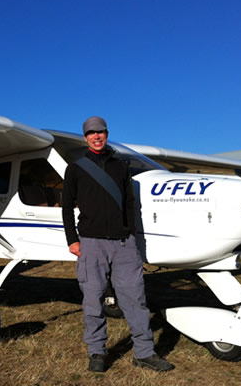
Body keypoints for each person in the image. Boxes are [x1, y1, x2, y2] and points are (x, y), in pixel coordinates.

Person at [61, 116, 174, 373]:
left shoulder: (121, 166)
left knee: (135, 299)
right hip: (91, 243)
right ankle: (97, 352)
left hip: (124, 243)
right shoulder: (76, 168)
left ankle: (144, 353)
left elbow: (132, 204)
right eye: (91, 133)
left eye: (100, 132)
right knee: (93, 299)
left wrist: (132, 235)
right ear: (85, 137)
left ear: (107, 133)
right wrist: (72, 241)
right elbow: (67, 207)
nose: (96, 136)